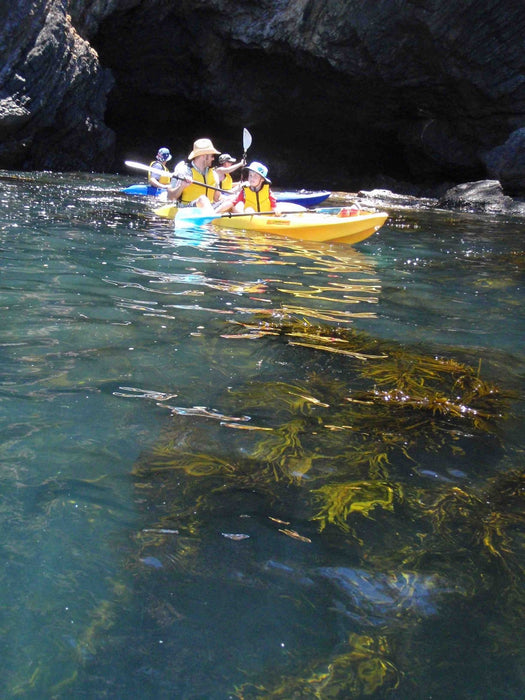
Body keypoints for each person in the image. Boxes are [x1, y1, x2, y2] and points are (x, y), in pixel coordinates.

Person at [167, 138, 221, 208]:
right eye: (212, 156)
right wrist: (182, 186)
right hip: (188, 209)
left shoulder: (214, 174)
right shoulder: (184, 171)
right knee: (203, 199)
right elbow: (170, 197)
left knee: (231, 199)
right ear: (203, 156)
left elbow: (216, 198)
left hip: (209, 208)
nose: (213, 158)